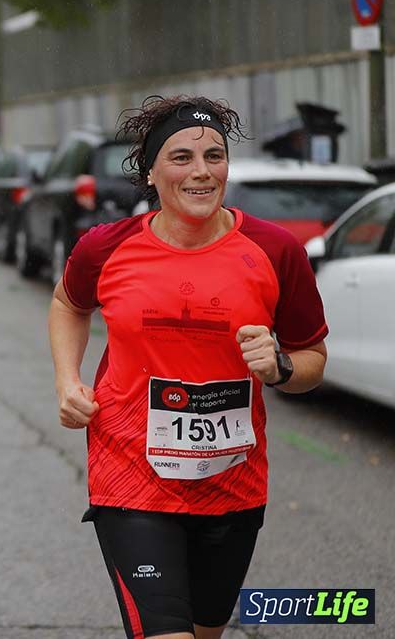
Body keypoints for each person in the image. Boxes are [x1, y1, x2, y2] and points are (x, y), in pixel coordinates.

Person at [48, 96, 328, 639]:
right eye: (180, 158)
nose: (201, 172)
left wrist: (281, 368)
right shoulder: (107, 248)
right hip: (130, 477)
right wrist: (67, 378)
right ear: (150, 172)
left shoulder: (274, 251)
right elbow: (68, 303)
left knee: (204, 632)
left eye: (214, 156)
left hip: (233, 484)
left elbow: (313, 359)